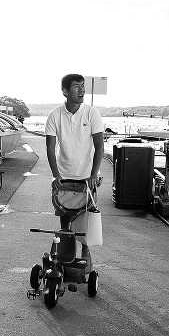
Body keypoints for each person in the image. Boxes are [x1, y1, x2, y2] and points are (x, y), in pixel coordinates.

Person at [45, 73, 104, 267]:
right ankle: (65, 255)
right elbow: (50, 148)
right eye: (77, 86)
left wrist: (94, 175)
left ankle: (86, 255)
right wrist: (56, 175)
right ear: (65, 91)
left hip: (87, 176)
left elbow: (99, 146)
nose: (82, 90)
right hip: (64, 176)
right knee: (65, 219)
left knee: (86, 218)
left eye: (83, 86)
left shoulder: (91, 113)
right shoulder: (54, 115)